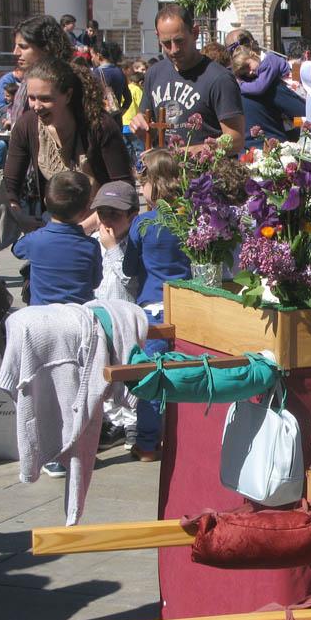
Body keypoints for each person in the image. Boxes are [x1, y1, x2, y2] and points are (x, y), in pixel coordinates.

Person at [4, 56, 132, 230]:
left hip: (102, 225)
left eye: (45, 98)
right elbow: (10, 185)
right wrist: (19, 216)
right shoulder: (26, 125)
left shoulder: (99, 126)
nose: (36, 106)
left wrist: (82, 230)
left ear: (68, 95)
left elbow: (123, 187)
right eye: (32, 98)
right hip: (52, 226)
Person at [123, 148, 192, 461]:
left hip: (152, 306)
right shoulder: (189, 219)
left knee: (151, 375)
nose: (141, 190)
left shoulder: (142, 224)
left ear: (154, 183)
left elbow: (129, 267)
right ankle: (185, 438)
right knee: (185, 374)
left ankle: (148, 443)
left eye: (142, 183)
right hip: (187, 305)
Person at [130, 5, 244, 150]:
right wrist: (140, 125)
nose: (174, 50)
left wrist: (187, 153)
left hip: (206, 171)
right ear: (157, 37)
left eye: (180, 41)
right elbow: (149, 126)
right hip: (164, 170)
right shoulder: (154, 73)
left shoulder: (219, 78)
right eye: (166, 43)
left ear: (195, 32)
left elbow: (236, 139)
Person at [89, 180, 141, 451]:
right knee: (103, 370)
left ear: (132, 216)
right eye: (103, 213)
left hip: (125, 316)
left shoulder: (133, 241)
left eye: (115, 214)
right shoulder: (94, 241)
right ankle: (113, 422)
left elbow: (130, 279)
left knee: (126, 371)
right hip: (100, 312)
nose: (107, 220)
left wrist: (112, 248)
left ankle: (132, 423)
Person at [11, 171, 102, 305]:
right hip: (78, 314)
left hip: (42, 313)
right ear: (85, 210)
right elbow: (95, 282)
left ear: (46, 202)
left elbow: (16, 250)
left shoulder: (35, 240)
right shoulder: (91, 245)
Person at [8, 15, 74, 125]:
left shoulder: (67, 82)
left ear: (46, 48)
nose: (15, 52)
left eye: (23, 47)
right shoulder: (26, 81)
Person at [233, 45, 304, 146]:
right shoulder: (259, 70)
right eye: (245, 73)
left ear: (252, 55)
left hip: (295, 88)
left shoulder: (269, 62)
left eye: (248, 66)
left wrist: (240, 86)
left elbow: (259, 88)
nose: (250, 72)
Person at [90, 40, 133, 121]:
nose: (92, 59)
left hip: (102, 121)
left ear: (99, 56)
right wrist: (120, 113)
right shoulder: (120, 72)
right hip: (117, 121)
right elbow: (128, 99)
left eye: (93, 56)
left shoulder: (96, 73)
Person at [120, 59, 146, 162]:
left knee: (128, 149)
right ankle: (140, 168)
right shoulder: (137, 90)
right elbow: (142, 105)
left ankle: (130, 168)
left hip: (123, 123)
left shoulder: (127, 88)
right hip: (133, 124)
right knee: (139, 148)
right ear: (140, 82)